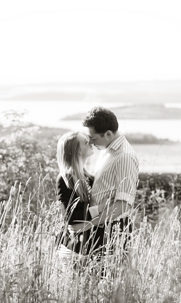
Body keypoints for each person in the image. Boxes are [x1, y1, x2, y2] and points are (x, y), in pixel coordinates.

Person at [80, 106, 139, 254]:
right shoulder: (107, 150)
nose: (91, 142)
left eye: (93, 138)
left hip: (112, 229)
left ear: (108, 134)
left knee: (108, 276)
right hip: (100, 225)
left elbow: (123, 205)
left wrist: (88, 224)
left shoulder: (124, 157)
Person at [55, 130, 100, 262]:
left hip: (88, 249)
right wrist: (100, 210)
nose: (90, 143)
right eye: (86, 142)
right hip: (72, 249)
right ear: (77, 151)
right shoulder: (65, 178)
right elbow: (71, 217)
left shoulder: (90, 178)